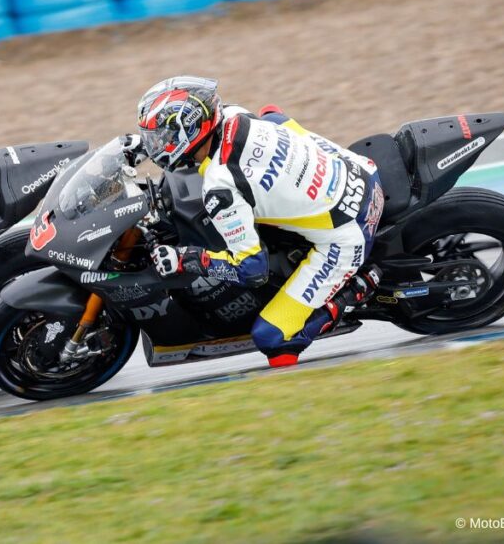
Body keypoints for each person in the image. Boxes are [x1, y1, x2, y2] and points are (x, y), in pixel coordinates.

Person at [129, 76, 384, 367]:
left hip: (348, 231)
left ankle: (358, 287)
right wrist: (143, 148)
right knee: (270, 115)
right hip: (358, 170)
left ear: (188, 131)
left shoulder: (220, 187)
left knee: (273, 341)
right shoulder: (233, 115)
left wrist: (185, 259)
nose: (156, 145)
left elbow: (252, 270)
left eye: (160, 137)